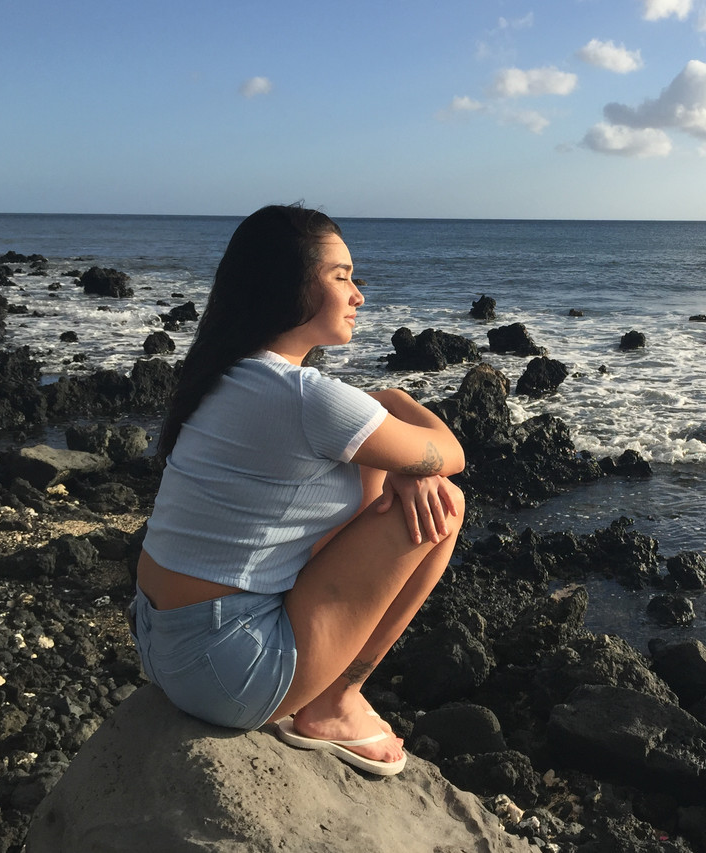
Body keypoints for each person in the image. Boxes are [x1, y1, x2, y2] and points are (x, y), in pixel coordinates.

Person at [130, 203, 465, 776]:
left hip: (160, 643)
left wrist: (397, 465)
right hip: (228, 672)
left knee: (382, 478)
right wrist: (394, 400)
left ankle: (326, 694)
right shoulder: (306, 398)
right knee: (444, 504)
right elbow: (451, 454)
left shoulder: (224, 374)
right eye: (341, 277)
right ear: (287, 285)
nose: (358, 295)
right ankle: (334, 703)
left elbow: (356, 482)